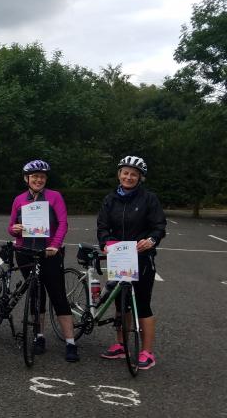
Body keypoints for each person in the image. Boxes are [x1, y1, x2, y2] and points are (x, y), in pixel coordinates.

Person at [97, 155, 166, 370]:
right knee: (121, 303)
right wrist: (105, 242)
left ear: (140, 178)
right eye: (125, 173)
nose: (128, 177)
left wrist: (151, 240)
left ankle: (147, 352)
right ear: (119, 174)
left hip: (142, 258)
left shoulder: (149, 199)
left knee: (142, 305)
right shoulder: (110, 199)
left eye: (133, 174)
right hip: (119, 257)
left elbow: (159, 226)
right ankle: (121, 344)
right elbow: (102, 226)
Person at [7, 160, 78, 362]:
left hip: (50, 252)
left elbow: (63, 223)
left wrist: (55, 245)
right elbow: (11, 226)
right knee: (36, 294)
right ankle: (39, 336)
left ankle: (71, 342)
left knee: (58, 295)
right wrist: (15, 229)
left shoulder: (54, 197)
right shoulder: (19, 199)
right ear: (26, 179)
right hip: (25, 252)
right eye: (34, 176)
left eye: (42, 177)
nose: (38, 179)